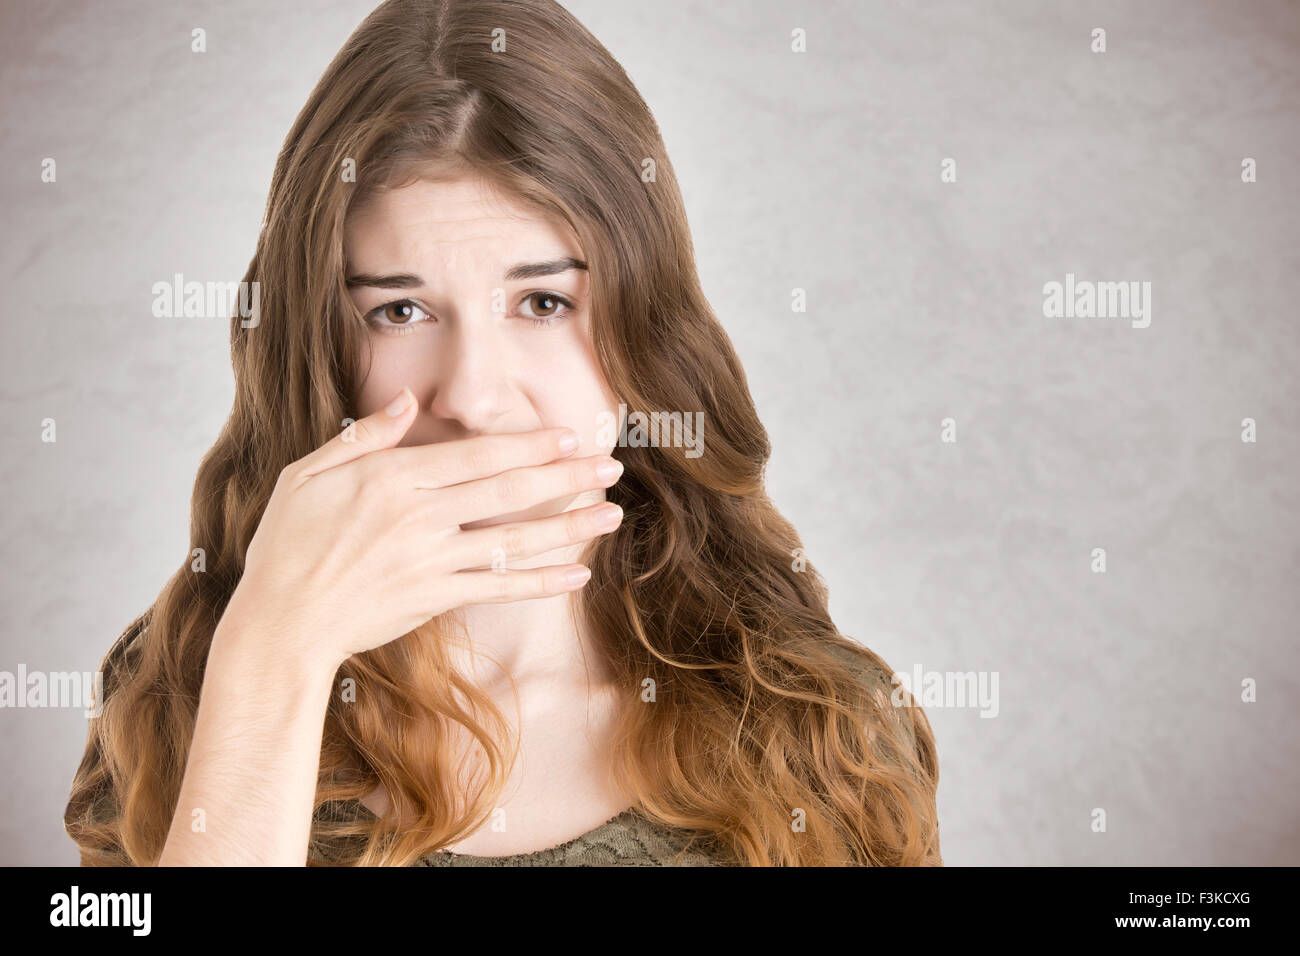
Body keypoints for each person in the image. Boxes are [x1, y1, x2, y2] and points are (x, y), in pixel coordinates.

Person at [64, 0, 941, 866]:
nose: (475, 398)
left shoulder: (825, 729)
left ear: (647, 329)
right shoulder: (177, 687)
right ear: (317, 343)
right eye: (399, 310)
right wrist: (270, 661)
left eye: (544, 302)